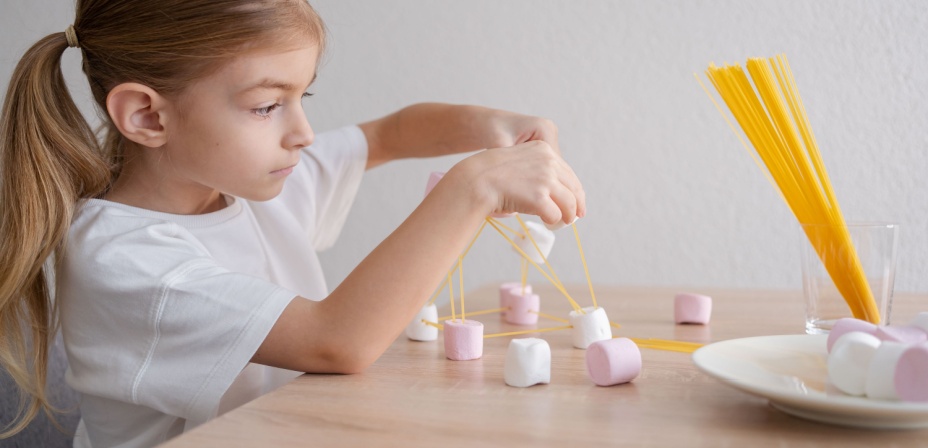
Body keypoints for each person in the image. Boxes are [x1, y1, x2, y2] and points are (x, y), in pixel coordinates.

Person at [0, 1, 585, 446]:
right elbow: (337, 341)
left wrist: (502, 126)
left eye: (304, 95)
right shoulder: (126, 260)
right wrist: (474, 187)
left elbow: (388, 134)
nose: (302, 132)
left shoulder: (248, 183)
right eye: (266, 105)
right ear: (148, 115)